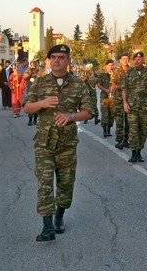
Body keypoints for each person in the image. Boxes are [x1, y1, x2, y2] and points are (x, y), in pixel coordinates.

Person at [24, 44, 93, 242]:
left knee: (66, 184)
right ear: (49, 60)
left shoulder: (78, 84)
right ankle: (47, 227)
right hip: (44, 143)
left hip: (67, 144)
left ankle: (59, 216)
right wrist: (42, 104)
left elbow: (89, 111)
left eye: (61, 57)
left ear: (68, 60)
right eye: (53, 57)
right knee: (44, 182)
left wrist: (71, 116)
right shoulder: (39, 83)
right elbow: (27, 107)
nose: (56, 60)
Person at [122, 51, 147, 163]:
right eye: (135, 59)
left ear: (143, 60)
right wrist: (124, 102)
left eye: (139, 59)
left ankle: (139, 152)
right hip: (132, 105)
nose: (137, 61)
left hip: (144, 105)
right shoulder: (129, 72)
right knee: (133, 130)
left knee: (143, 129)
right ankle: (133, 153)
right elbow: (124, 88)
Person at [111, 52, 130, 149]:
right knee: (119, 120)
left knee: (128, 121)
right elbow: (113, 85)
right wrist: (124, 87)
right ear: (120, 60)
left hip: (129, 99)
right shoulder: (117, 70)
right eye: (123, 58)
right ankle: (119, 140)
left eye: (127, 58)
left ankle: (126, 140)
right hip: (118, 99)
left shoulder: (132, 70)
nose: (125, 60)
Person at [96, 59, 115, 138]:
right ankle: (104, 130)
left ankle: (109, 129)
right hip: (104, 97)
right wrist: (105, 90)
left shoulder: (114, 74)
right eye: (109, 65)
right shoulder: (102, 74)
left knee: (112, 114)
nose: (111, 67)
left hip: (113, 97)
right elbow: (98, 84)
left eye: (112, 65)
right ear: (106, 66)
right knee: (105, 114)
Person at [23, 59, 40, 126]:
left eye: (35, 63)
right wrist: (30, 74)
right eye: (33, 63)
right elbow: (24, 77)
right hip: (30, 90)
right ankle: (30, 119)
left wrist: (37, 76)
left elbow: (42, 77)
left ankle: (35, 119)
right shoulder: (28, 70)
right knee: (30, 104)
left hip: (38, 90)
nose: (34, 65)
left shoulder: (39, 70)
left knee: (37, 105)